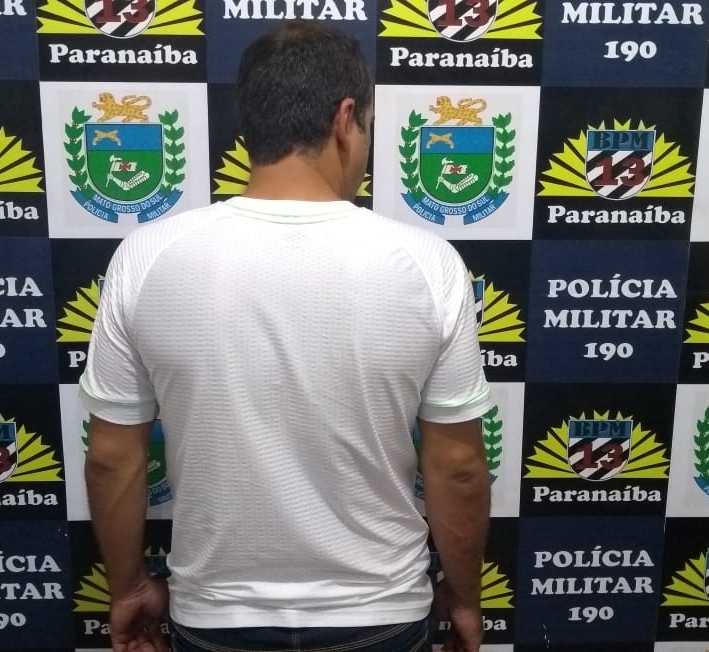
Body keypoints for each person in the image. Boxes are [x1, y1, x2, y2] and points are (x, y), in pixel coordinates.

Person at [81, 20, 492, 652]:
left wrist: (129, 587)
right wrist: (463, 597)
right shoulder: (427, 263)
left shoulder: (147, 256)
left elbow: (112, 456)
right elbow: (458, 467)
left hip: (215, 615)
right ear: (345, 120)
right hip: (379, 611)